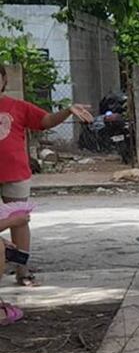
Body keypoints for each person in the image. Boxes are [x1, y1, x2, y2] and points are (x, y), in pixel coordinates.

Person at [0, 65, 93, 286]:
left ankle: (22, 270)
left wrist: (68, 110)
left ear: (4, 80)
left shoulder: (18, 106)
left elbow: (46, 121)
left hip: (15, 173)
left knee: (19, 221)